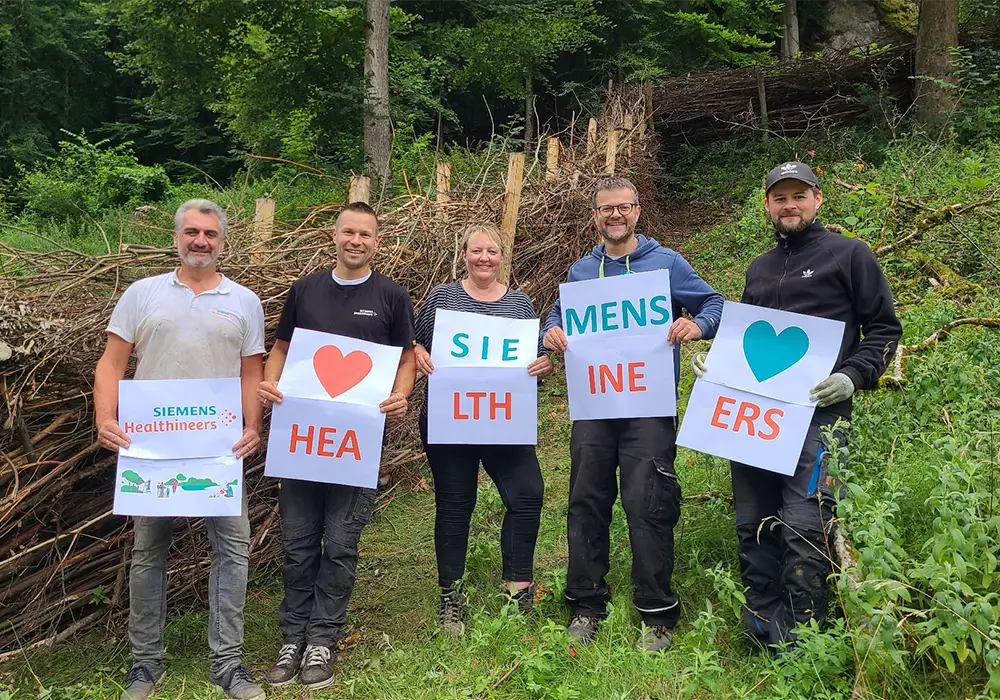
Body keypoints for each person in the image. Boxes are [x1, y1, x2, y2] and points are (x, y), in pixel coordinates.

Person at [693, 161, 902, 651]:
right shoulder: (760, 268)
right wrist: (718, 366)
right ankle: (762, 623)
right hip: (756, 416)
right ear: (767, 204)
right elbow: (751, 339)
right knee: (754, 519)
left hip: (819, 419)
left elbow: (885, 331)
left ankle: (805, 631)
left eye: (799, 196)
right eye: (780, 198)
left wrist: (853, 376)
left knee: (807, 519)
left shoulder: (850, 255)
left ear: (818, 199)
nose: (790, 206)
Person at [542, 176, 725, 652]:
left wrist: (697, 324)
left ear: (638, 211)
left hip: (648, 407)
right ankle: (586, 604)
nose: (616, 215)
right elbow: (556, 315)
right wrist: (554, 331)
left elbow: (713, 303)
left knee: (649, 503)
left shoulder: (665, 263)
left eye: (624, 207)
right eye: (607, 209)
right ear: (595, 216)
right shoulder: (581, 270)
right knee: (586, 502)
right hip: (595, 407)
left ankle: (657, 611)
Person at [94, 199, 266, 700]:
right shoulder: (142, 294)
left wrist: (253, 425)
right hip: (154, 448)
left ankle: (229, 664)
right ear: (176, 238)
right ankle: (145, 665)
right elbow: (110, 364)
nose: (200, 241)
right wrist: (106, 418)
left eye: (210, 234)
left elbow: (251, 371)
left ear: (222, 242)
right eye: (192, 232)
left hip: (219, 449)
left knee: (233, 549)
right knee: (148, 551)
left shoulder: (244, 301)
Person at [258, 201, 416, 690]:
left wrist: (401, 395)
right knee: (299, 544)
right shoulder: (305, 289)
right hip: (301, 441)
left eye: (365, 235)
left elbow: (405, 359)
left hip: (356, 444)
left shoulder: (391, 296)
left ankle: (323, 638)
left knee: (342, 544)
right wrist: (269, 386)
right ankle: (292, 637)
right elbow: (282, 349)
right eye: (349, 232)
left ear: (377, 242)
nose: (356, 241)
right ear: (334, 235)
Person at [413, 223, 554, 636]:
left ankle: (518, 586)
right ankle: (450, 595)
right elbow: (414, 343)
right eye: (477, 251)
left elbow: (537, 358)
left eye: (492, 252)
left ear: (502, 256)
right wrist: (419, 352)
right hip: (449, 419)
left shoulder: (521, 305)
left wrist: (543, 365)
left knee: (527, 494)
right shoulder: (442, 297)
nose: (485, 259)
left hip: (503, 420)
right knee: (456, 503)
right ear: (465, 254)